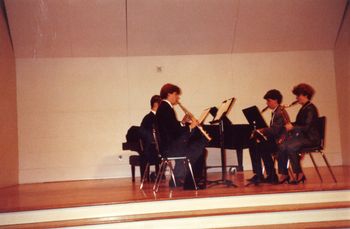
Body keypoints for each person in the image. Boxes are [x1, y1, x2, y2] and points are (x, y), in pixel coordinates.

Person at [155, 83, 207, 189]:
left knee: (197, 146)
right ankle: (191, 183)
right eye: (176, 94)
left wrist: (183, 123)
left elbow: (171, 127)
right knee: (200, 146)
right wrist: (190, 127)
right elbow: (174, 132)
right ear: (169, 94)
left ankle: (177, 179)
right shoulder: (166, 108)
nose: (177, 97)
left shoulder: (164, 107)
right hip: (170, 147)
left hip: (168, 146)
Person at [278, 83, 320, 184]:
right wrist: (289, 124)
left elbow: (306, 127)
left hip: (311, 138)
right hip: (303, 137)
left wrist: (293, 127)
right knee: (282, 146)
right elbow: (299, 124)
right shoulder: (304, 108)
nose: (296, 98)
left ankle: (299, 173)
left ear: (305, 95)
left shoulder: (310, 109)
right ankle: (284, 174)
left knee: (291, 147)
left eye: (298, 95)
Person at [247, 89, 285, 185]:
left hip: (280, 142)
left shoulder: (280, 113)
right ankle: (269, 175)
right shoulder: (276, 112)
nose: (267, 103)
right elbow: (274, 130)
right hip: (275, 140)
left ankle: (264, 175)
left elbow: (276, 130)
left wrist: (262, 130)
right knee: (256, 145)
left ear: (276, 100)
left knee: (258, 147)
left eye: (269, 101)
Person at [139, 95, 162, 180]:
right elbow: (146, 135)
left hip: (155, 146)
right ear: (156, 105)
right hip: (152, 148)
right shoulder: (150, 118)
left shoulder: (153, 117)